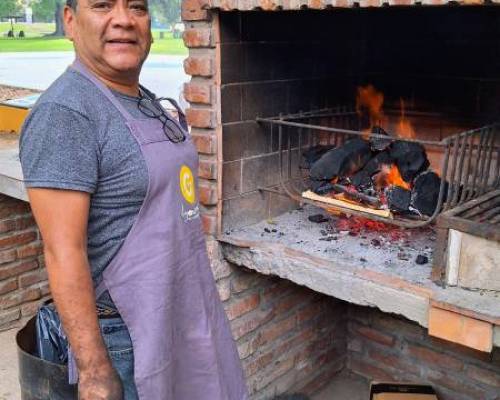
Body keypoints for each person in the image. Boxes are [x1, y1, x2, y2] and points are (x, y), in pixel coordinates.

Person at [19, 1, 248, 399]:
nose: (123, 19)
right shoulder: (65, 113)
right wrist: (93, 369)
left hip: (179, 306)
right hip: (125, 334)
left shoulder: (144, 100)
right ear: (70, 22)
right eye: (103, 5)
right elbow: (62, 251)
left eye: (137, 8)